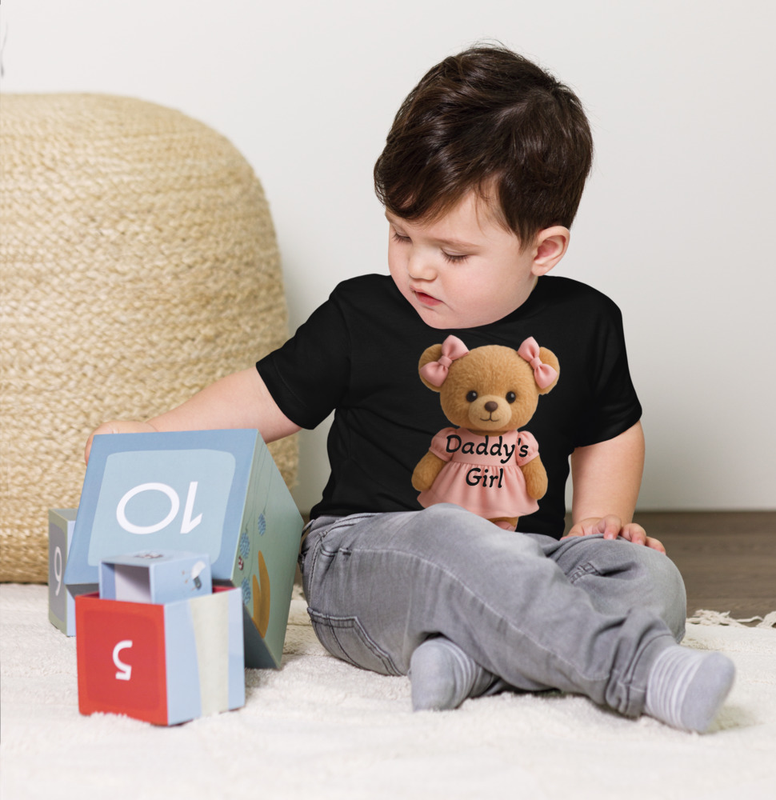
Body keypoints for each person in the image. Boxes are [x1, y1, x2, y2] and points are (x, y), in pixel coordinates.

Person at [86, 45, 735, 732]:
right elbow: (263, 396)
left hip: (532, 560)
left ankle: (473, 664)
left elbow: (610, 428)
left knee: (651, 579)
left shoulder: (587, 321)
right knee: (449, 539)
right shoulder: (359, 315)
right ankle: (630, 670)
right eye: (401, 233)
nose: (418, 268)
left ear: (542, 250)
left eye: (452, 253)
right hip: (370, 559)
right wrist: (156, 435)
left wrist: (594, 526)